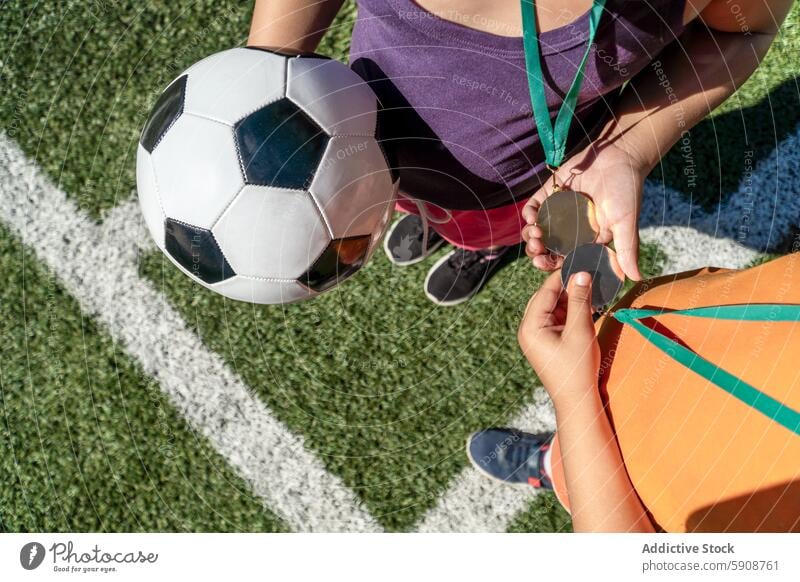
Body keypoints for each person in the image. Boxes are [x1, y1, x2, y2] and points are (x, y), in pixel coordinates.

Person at [249, 0, 791, 305]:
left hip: (513, 189)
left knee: (477, 227)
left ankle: (478, 250)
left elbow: (742, 31)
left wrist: (625, 151)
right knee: (413, 203)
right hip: (354, 156)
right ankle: (424, 215)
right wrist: (261, 78)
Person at [468, 253, 800, 532]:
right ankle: (562, 454)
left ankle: (555, 467)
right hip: (659, 338)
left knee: (584, 467)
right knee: (595, 426)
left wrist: (574, 399)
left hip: (647, 487)